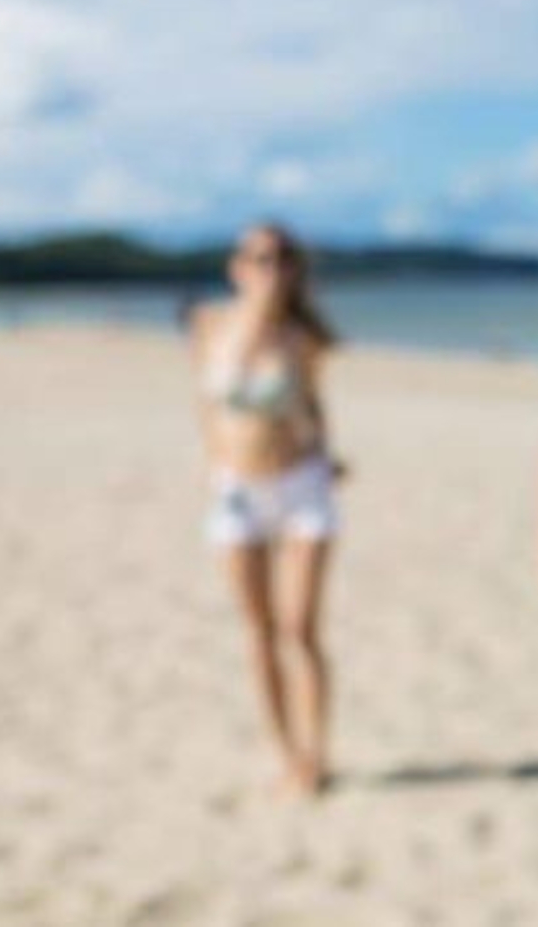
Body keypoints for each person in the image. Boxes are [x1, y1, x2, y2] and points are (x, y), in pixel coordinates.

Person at [191, 220, 342, 796]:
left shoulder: (303, 337)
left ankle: (316, 755)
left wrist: (329, 455)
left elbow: (312, 404)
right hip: (236, 490)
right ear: (237, 267)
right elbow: (206, 405)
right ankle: (286, 754)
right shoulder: (209, 326)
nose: (271, 268)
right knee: (258, 632)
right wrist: (212, 461)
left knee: (299, 627)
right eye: (259, 257)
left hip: (303, 485)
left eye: (282, 258)